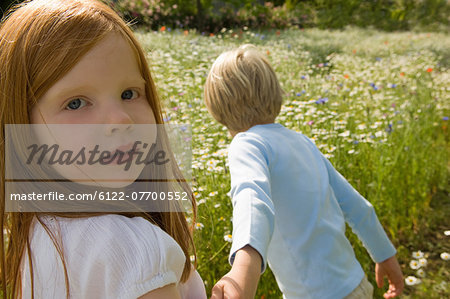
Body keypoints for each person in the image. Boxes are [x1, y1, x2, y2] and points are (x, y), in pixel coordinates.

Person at [0, 0, 206, 298]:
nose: (120, 119)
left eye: (128, 93)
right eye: (76, 102)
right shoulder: (136, 252)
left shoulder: (39, 232)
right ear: (23, 127)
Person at [204, 45, 404, 299]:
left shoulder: (246, 144)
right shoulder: (303, 142)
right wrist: (385, 255)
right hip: (356, 285)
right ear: (274, 93)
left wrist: (242, 268)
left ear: (217, 108)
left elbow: (252, 201)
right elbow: (357, 207)